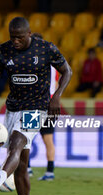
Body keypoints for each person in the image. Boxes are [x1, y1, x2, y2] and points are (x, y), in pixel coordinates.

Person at [0, 17, 71, 195]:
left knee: (17, 142)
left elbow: (67, 71)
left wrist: (57, 96)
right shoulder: (4, 51)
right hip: (13, 109)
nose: (15, 41)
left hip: (37, 108)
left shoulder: (46, 48)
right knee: (21, 164)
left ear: (29, 34)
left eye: (19, 37)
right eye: (12, 37)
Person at [26, 32, 59, 181]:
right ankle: (50, 172)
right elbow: (57, 84)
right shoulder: (54, 64)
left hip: (35, 103)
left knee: (26, 138)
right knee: (49, 139)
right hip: (50, 104)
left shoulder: (31, 61)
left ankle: (27, 169)